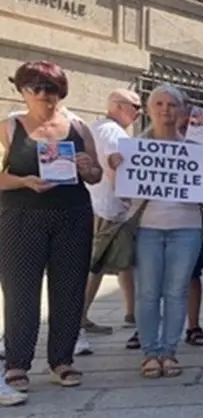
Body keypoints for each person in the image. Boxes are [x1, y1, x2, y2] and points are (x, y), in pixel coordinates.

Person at [0, 61, 103, 394]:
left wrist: (89, 168)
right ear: (22, 91)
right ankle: (17, 363)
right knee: (20, 291)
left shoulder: (78, 126)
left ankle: (62, 359)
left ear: (62, 92)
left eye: (52, 89)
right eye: (36, 88)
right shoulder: (9, 128)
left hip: (72, 214)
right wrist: (22, 181)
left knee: (70, 288)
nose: (45, 96)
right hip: (21, 216)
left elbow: (96, 175)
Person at [107, 84, 203, 379]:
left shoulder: (195, 149)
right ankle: (150, 353)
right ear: (150, 109)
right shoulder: (132, 148)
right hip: (147, 229)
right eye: (159, 104)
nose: (166, 110)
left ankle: (169, 351)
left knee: (177, 292)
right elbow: (123, 194)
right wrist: (116, 168)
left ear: (182, 111)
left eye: (172, 105)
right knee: (148, 293)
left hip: (186, 228)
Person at [81, 89, 141, 338]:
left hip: (102, 204)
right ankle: (80, 315)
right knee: (97, 264)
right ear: (118, 106)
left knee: (125, 261)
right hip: (109, 207)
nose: (138, 113)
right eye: (135, 107)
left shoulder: (98, 127)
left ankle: (131, 311)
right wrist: (129, 199)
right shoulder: (113, 133)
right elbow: (118, 168)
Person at [179, 101, 203, 348]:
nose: (170, 111)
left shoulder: (199, 142)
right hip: (151, 220)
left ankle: (193, 325)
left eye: (177, 107)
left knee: (192, 272)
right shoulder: (147, 141)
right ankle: (144, 329)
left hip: (188, 216)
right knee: (150, 278)